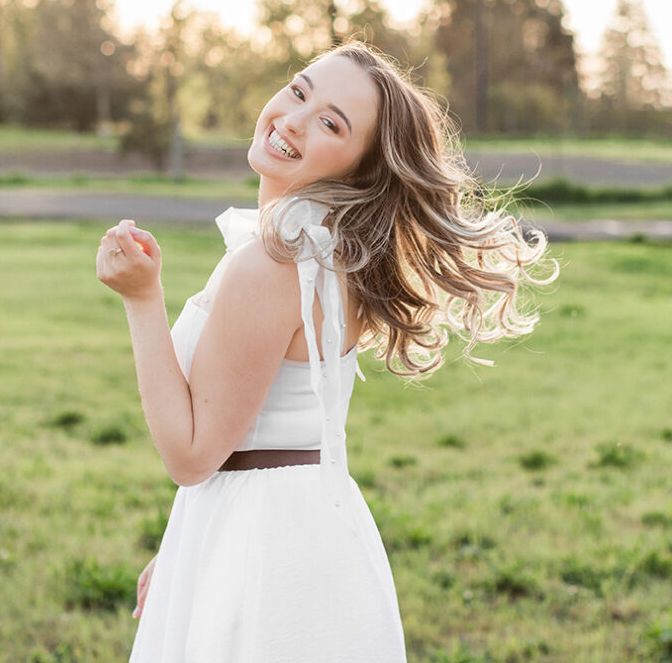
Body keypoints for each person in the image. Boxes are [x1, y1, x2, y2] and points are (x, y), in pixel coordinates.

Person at [96, 39, 556, 662]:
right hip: (297, 528)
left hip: (268, 554)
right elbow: (267, 431)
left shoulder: (273, 264)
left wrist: (142, 299)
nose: (292, 118)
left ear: (359, 169)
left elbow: (192, 455)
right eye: (299, 90)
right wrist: (187, 548)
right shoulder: (327, 256)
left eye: (331, 124)